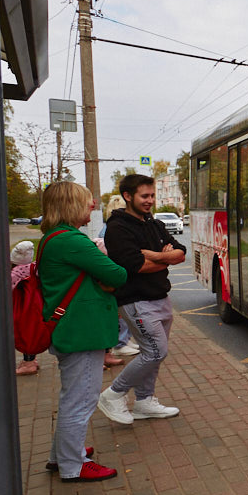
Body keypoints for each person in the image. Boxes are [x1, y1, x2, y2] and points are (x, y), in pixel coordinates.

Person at [37, 182, 128, 482]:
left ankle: (60, 455)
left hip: (73, 330)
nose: (92, 206)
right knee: (81, 400)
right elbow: (117, 273)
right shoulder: (71, 241)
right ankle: (73, 465)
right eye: (88, 201)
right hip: (79, 331)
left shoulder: (54, 238)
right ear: (71, 205)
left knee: (72, 398)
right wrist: (102, 277)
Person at [100, 174, 186, 424]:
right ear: (128, 196)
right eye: (144, 196)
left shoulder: (154, 224)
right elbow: (135, 266)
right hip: (135, 300)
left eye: (152, 196)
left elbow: (181, 252)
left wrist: (154, 256)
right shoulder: (117, 228)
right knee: (155, 351)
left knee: (154, 353)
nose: (150, 201)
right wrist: (164, 257)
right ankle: (113, 394)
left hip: (160, 297)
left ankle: (144, 401)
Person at [99, 194, 139, 358]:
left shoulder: (108, 227)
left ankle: (124, 340)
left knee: (124, 310)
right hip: (118, 276)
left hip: (117, 274)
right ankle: (120, 343)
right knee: (122, 310)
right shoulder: (114, 229)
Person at [10, 240, 40, 376]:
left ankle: (29, 363)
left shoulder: (15, 272)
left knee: (25, 334)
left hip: (21, 307)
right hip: (34, 305)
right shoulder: (34, 268)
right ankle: (30, 360)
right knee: (31, 332)